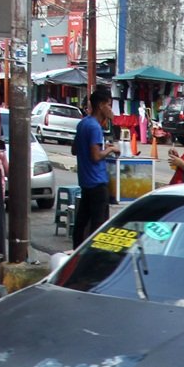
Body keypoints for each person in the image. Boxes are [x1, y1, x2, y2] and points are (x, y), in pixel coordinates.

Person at [71, 86, 119, 248]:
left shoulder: (83, 123)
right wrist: (111, 149)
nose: (111, 110)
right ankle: (93, 256)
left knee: (82, 221)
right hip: (97, 182)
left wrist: (102, 146)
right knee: (99, 225)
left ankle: (76, 251)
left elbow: (74, 149)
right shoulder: (94, 127)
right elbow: (96, 156)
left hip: (85, 181)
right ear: (101, 106)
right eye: (109, 105)